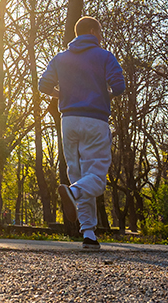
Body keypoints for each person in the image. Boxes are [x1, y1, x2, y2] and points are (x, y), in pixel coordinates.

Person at [39, 16, 125, 250]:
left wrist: (62, 95)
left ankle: (88, 234)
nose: (101, 36)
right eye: (100, 31)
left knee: (80, 175)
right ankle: (73, 192)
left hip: (68, 121)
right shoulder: (104, 56)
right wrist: (102, 93)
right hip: (94, 120)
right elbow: (119, 86)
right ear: (92, 31)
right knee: (95, 176)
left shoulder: (60, 59)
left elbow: (43, 85)